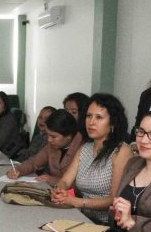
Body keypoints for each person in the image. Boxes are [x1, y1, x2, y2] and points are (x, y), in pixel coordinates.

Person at [50, 93, 133, 223]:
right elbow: (65, 181)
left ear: (113, 122)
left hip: (107, 224)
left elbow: (114, 198)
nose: (91, 122)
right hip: (81, 217)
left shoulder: (121, 151)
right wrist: (59, 190)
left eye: (99, 117)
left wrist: (77, 201)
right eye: (89, 116)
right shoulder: (85, 148)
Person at [6, 109, 83, 186]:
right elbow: (34, 162)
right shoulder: (52, 145)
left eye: (53, 136)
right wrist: (19, 170)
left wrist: (52, 180)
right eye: (48, 135)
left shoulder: (82, 148)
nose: (49, 140)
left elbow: (80, 185)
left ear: (69, 136)